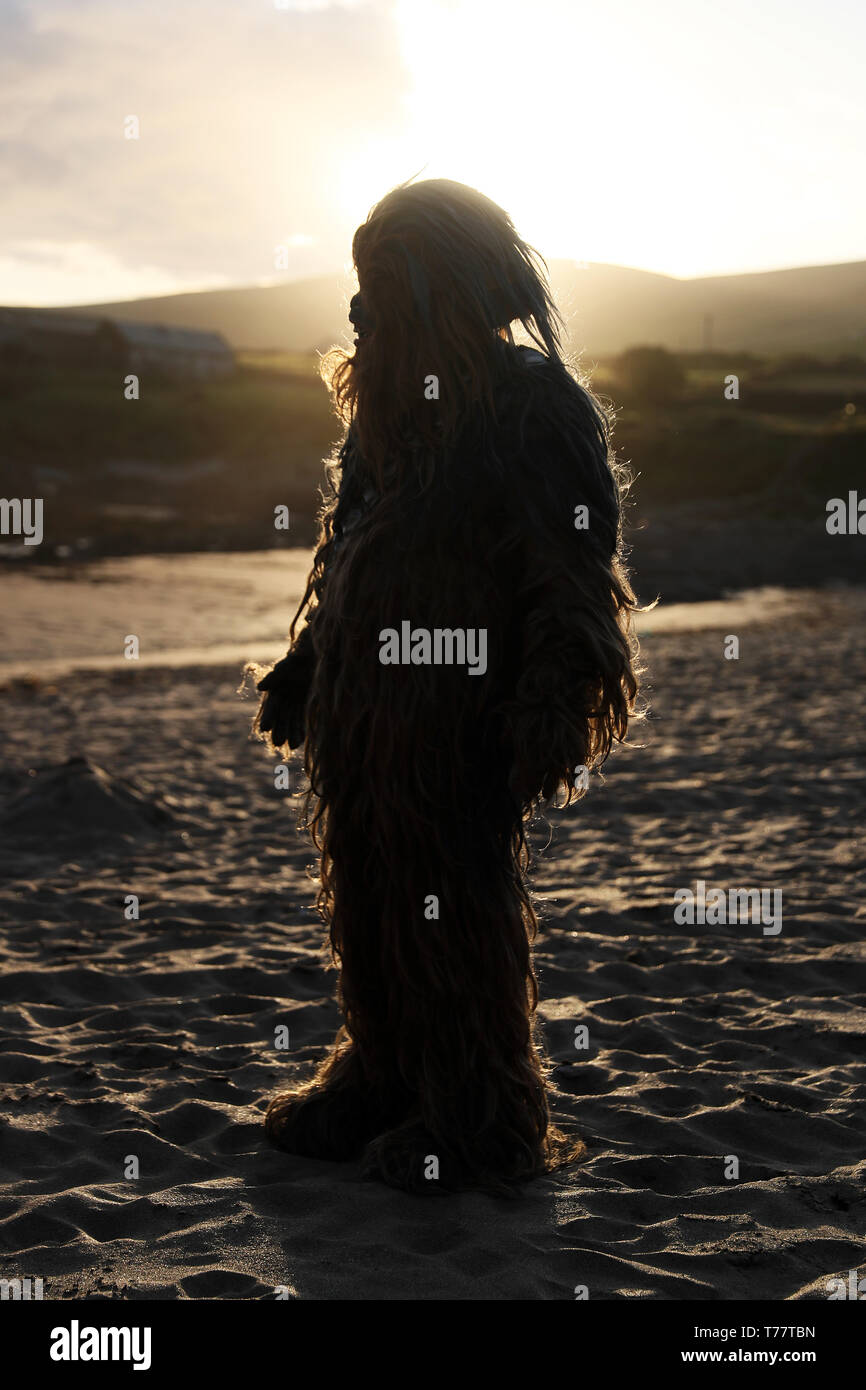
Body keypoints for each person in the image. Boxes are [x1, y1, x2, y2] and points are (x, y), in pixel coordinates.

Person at [251, 178, 642, 1195]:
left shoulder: (532, 409)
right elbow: (343, 548)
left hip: (457, 720)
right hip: (364, 713)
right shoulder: (391, 406)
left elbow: (571, 573)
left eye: (381, 289)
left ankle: (480, 1116)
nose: (357, 314)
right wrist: (304, 667)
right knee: (372, 899)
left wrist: (553, 701)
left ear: (448, 289)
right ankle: (384, 1073)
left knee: (452, 910)